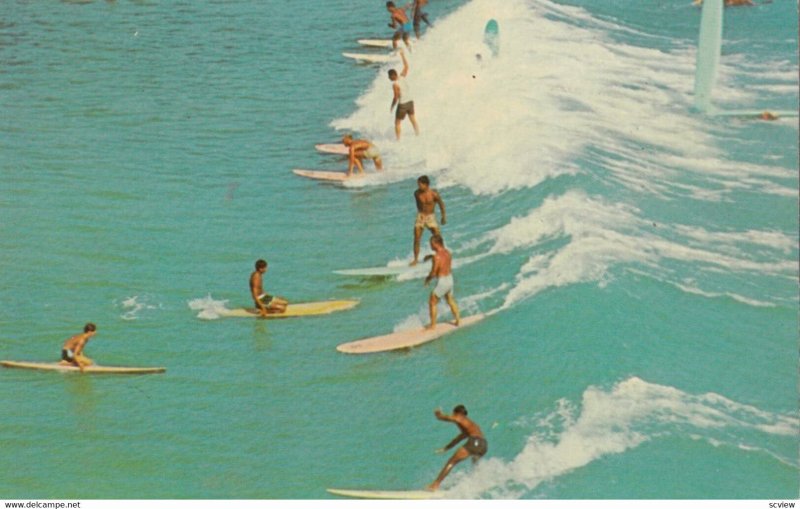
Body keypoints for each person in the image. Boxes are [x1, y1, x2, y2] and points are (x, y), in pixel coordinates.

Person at [428, 405, 487, 491]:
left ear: (456, 413)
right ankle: (478, 484)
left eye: (453, 414)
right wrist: (446, 448)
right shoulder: (471, 425)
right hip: (483, 445)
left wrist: (439, 415)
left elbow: (453, 418)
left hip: (474, 442)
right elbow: (459, 438)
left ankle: (435, 485)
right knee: (475, 464)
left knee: (451, 462)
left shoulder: (460, 417)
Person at [423, 234, 460, 329]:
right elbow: (441, 258)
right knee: (450, 299)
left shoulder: (436, 257)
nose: (430, 246)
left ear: (436, 244)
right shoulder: (448, 252)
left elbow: (434, 272)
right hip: (450, 279)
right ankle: (458, 320)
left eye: (431, 244)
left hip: (442, 282)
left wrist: (427, 279)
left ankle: (433, 326)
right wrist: (431, 256)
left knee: (432, 301)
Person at [411, 175, 445, 266]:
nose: (418, 186)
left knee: (438, 237)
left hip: (431, 217)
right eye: (418, 184)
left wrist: (443, 217)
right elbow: (418, 205)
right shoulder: (416, 193)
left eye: (420, 184)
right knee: (417, 238)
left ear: (426, 184)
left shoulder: (434, 194)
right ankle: (415, 259)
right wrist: (420, 216)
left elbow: (441, 205)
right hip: (421, 216)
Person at [388, 48, 419, 140]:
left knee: (397, 123)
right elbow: (406, 66)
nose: (389, 78)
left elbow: (396, 97)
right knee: (413, 120)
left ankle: (398, 140)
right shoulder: (402, 77)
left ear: (393, 76)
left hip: (403, 105)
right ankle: (418, 134)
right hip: (410, 101)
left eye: (389, 77)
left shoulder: (395, 84)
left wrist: (392, 106)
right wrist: (402, 55)